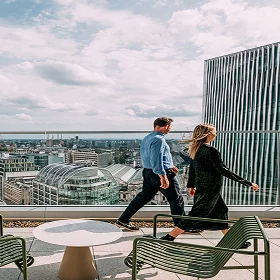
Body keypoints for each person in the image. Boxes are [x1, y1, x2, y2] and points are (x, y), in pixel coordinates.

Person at [160, 123, 259, 248]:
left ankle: (234, 242)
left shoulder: (196, 149)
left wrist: (191, 185)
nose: (216, 134)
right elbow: (223, 170)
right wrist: (248, 183)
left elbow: (193, 169)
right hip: (212, 187)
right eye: (214, 132)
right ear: (208, 134)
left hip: (203, 186)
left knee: (221, 211)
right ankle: (169, 237)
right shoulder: (211, 150)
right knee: (196, 214)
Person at [116, 117, 185, 231]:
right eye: (170, 127)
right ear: (166, 126)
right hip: (159, 173)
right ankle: (181, 227)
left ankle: (123, 219)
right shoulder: (159, 139)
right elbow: (156, 159)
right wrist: (163, 176)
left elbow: (149, 157)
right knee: (176, 199)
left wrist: (171, 165)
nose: (170, 130)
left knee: (143, 197)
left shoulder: (148, 138)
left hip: (148, 172)